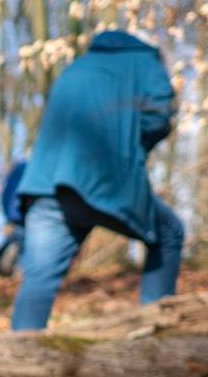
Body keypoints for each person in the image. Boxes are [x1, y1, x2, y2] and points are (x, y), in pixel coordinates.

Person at [10, 30, 184, 330]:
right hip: (103, 181)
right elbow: (159, 116)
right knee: (168, 233)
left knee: (38, 278)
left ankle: (15, 356)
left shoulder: (76, 66)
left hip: (44, 184)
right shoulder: (147, 63)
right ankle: (157, 329)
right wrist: (130, 144)